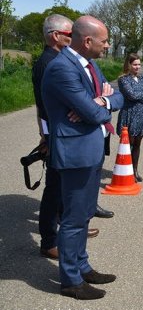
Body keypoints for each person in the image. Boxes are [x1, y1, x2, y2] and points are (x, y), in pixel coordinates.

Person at [42, 15, 124, 300]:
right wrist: (99, 106)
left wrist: (102, 100)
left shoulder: (91, 65)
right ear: (87, 41)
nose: (107, 45)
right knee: (74, 219)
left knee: (85, 214)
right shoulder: (61, 69)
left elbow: (117, 97)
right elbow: (94, 115)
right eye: (104, 40)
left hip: (89, 150)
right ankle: (70, 280)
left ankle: (82, 266)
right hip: (75, 154)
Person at [31, 15, 102, 260]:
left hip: (66, 130)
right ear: (55, 36)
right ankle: (49, 240)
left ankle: (69, 229)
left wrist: (92, 101)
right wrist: (46, 136)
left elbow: (94, 94)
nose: (74, 38)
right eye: (69, 34)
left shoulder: (68, 60)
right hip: (57, 133)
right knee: (53, 188)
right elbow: (45, 105)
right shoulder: (48, 62)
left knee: (62, 188)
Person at [116, 53, 143, 182]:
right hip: (129, 115)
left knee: (137, 144)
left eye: (139, 64)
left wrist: (141, 95)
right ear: (128, 65)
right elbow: (131, 95)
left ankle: (134, 170)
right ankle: (124, 170)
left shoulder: (142, 79)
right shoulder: (123, 79)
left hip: (142, 115)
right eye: (135, 64)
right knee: (128, 145)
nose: (137, 67)